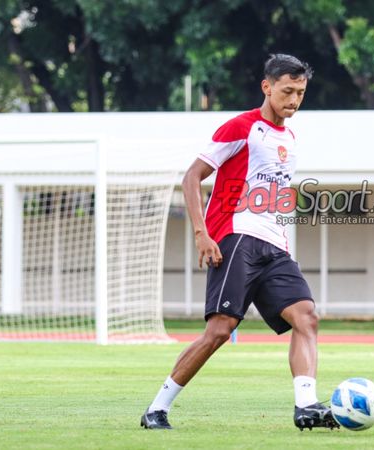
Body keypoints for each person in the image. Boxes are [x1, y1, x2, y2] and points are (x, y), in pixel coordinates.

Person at [141, 54, 337, 431]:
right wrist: (202, 233)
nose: (294, 100)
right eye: (287, 91)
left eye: (300, 93)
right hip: (236, 239)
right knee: (219, 331)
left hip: (274, 247)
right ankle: (156, 409)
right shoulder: (242, 127)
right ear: (267, 87)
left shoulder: (290, 138)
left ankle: (306, 406)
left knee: (306, 316)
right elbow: (191, 178)